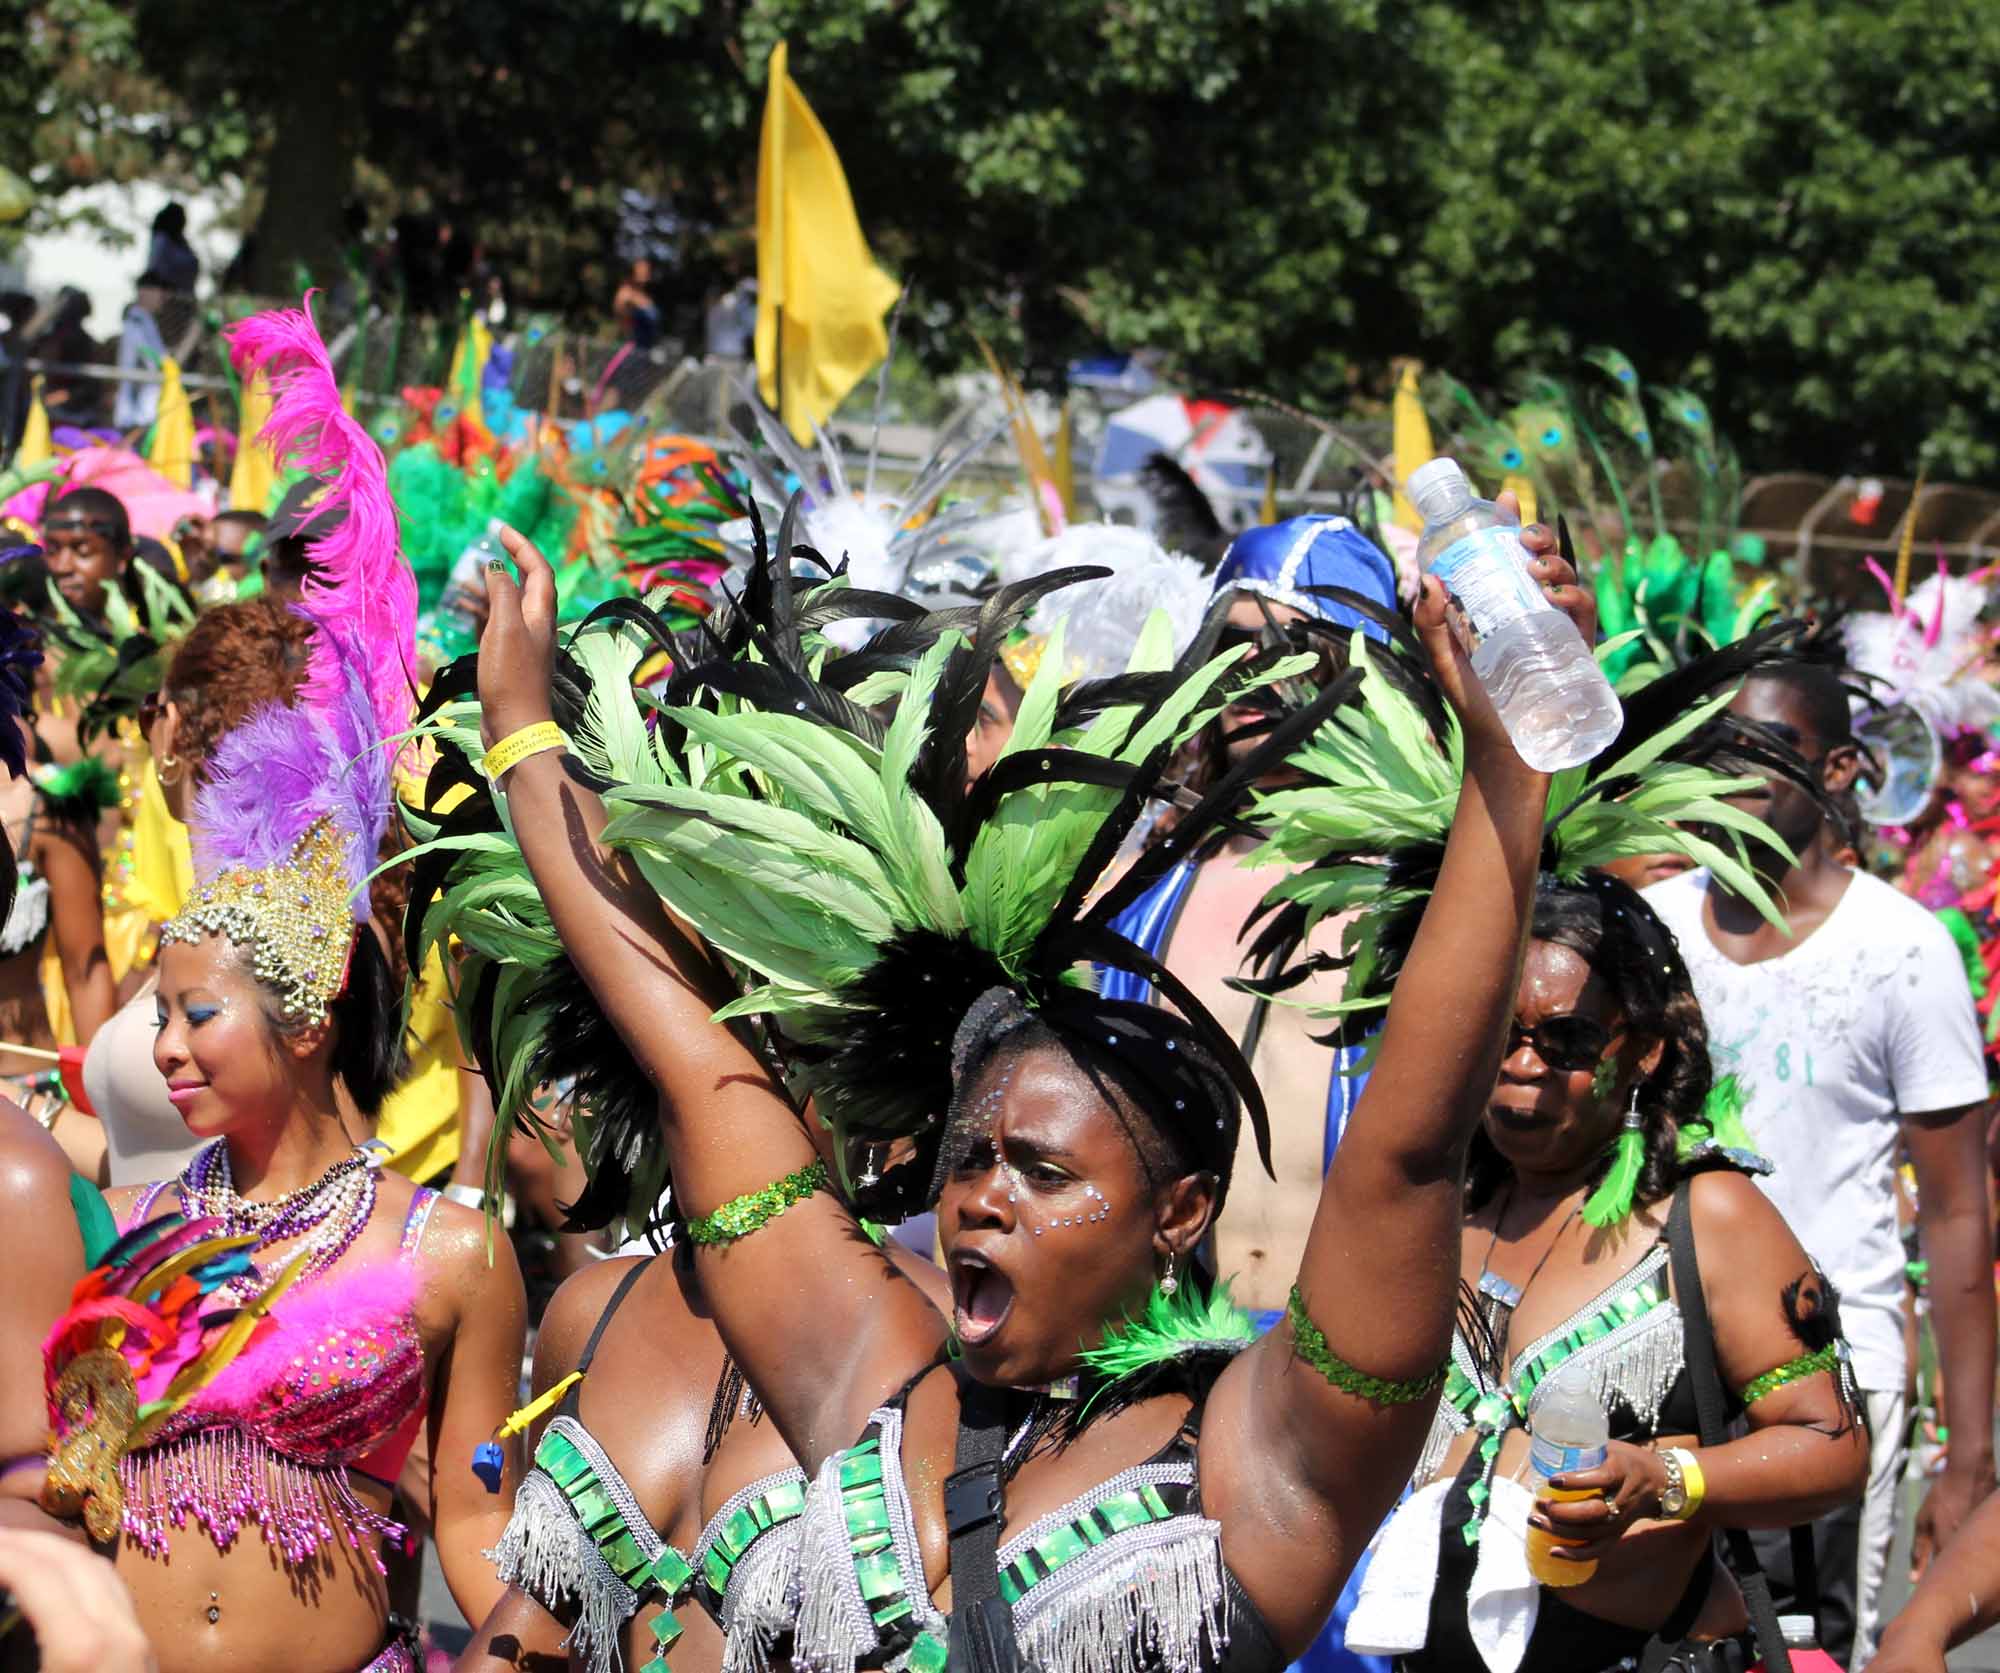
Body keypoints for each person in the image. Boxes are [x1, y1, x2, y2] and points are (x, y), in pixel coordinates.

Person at [451, 497, 1589, 1671]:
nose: (980, 1197)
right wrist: (527, 738)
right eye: (971, 1160)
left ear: (1179, 1212)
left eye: (1043, 1170)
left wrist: (1507, 773)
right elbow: (695, 1061)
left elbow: (1403, 1155)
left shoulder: (1255, 1465)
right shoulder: (876, 1374)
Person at [45, 299, 528, 1673]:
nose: (169, 1050)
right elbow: (79, 1506)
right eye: (165, 1015)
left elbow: (476, 1524)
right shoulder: (145, 1231)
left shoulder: (449, 1257)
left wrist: (521, 1625)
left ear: (310, 1020)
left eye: (198, 1017)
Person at [1348, 877, 1867, 1670]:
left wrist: (1666, 1474)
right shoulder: (1437, 1205)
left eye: (1569, 1041)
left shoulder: (1706, 1213)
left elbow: (1832, 1443)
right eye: (1501, 1032)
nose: (1524, 1063)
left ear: (1645, 1050)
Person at [1644, 658, 1996, 1667]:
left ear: (1838, 766)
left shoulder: (1900, 948)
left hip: (1830, 1395)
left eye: (1763, 750)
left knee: (1802, 1652)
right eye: (1712, 751)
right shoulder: (1653, 933)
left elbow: (1957, 1214)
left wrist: (1964, 1456)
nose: (1729, 775)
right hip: (1662, 1381)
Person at [113, 273, 171, 430]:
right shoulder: (136, 322)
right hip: (136, 415)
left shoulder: (146, 321)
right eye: (161, 291)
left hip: (144, 412)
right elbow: (152, 362)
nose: (164, 297)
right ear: (145, 291)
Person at [145, 204, 199, 296]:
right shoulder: (162, 240)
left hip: (183, 296)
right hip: (169, 298)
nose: (185, 221)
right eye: (182, 217)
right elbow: (155, 270)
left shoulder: (181, 243)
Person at [613, 259, 660, 352]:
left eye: (647, 270)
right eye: (641, 270)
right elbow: (619, 312)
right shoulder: (626, 292)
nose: (644, 273)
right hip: (631, 346)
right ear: (633, 272)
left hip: (646, 347)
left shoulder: (646, 297)